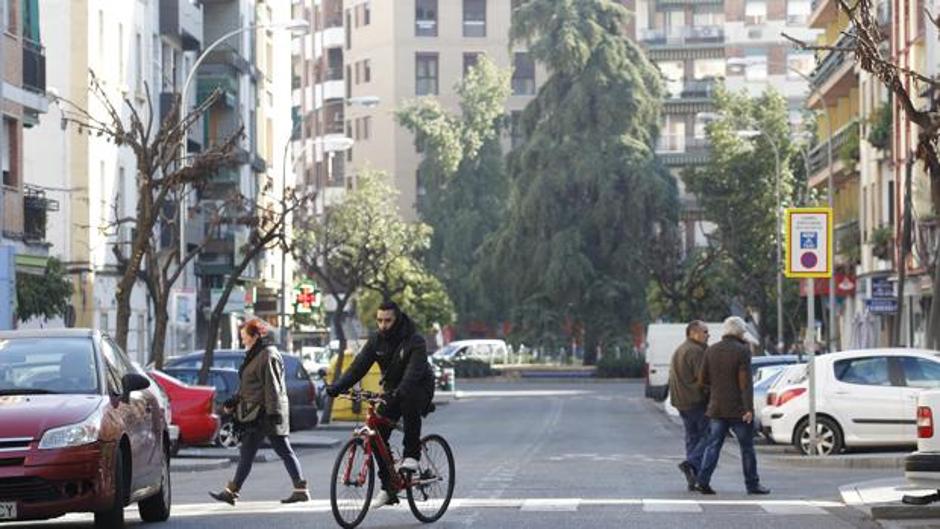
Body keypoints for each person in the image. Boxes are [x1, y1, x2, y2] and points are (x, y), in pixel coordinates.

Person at [325, 301, 435, 508]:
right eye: (380, 320)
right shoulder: (376, 340)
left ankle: (412, 455)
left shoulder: (415, 341)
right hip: (392, 389)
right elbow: (358, 367)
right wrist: (337, 387)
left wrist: (399, 393)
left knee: (408, 399)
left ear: (398, 319)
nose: (383, 325)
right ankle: (389, 487)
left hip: (420, 386)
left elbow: (412, 374)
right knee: (376, 435)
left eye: (388, 320)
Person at [210, 319, 310, 506]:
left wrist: (274, 413)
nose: (243, 341)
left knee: (281, 450)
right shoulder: (255, 355)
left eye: (245, 337)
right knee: (250, 452)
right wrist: (234, 400)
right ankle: (232, 491)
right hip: (255, 413)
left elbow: (272, 387)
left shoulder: (267, 355)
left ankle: (300, 489)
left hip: (265, 414)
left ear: (255, 336)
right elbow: (250, 385)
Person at [693, 316, 770, 496]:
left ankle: (702, 481)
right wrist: (748, 409)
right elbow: (745, 383)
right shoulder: (742, 351)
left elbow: (702, 379)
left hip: (717, 407)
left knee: (713, 446)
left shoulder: (711, 350)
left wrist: (715, 391)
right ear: (738, 333)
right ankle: (752, 484)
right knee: (747, 448)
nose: (744, 335)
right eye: (743, 332)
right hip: (737, 409)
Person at [667, 320, 710, 491]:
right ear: (694, 333)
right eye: (705, 332)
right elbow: (704, 379)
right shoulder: (696, 351)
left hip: (681, 401)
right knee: (709, 435)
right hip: (695, 400)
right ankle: (691, 464)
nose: (708, 335)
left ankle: (693, 476)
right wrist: (710, 394)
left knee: (692, 437)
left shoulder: (681, 349)